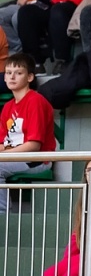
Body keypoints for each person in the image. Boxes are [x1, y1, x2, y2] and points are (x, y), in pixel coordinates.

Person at [0, 55, 55, 188]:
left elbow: (33, 146)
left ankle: (2, 209)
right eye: (8, 73)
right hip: (12, 156)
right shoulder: (8, 106)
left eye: (18, 73)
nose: (12, 77)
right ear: (4, 77)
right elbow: (2, 143)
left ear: (30, 77)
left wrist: (4, 155)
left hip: (36, 160)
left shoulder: (36, 101)